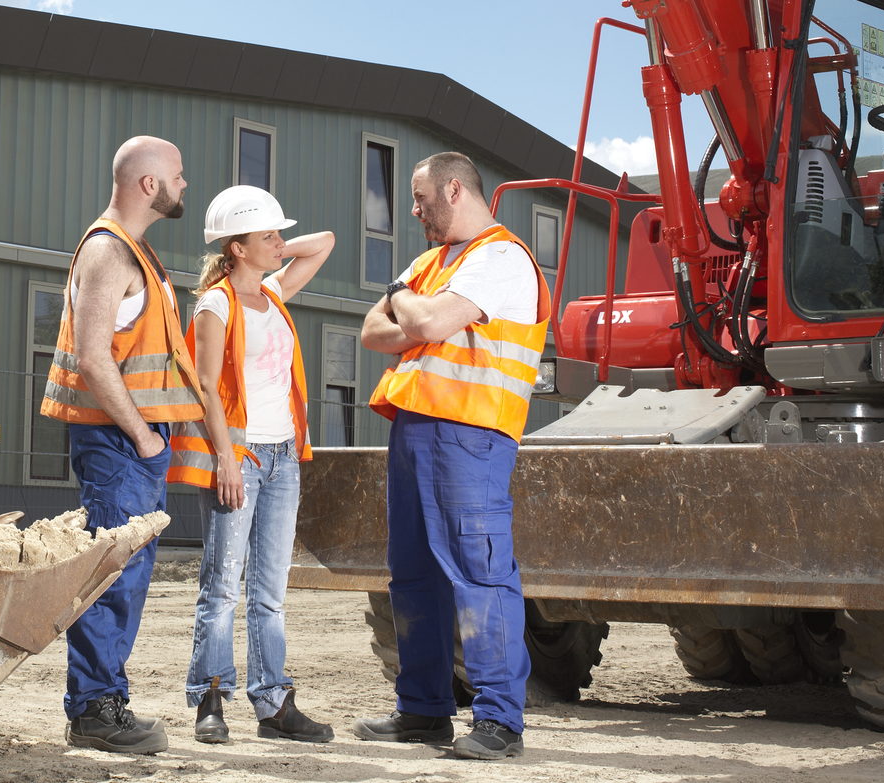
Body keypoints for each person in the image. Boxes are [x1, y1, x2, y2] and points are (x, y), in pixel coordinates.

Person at [350, 151, 552, 761]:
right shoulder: (432, 263)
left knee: (479, 571)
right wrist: (412, 308)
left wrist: (403, 299)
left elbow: (427, 319)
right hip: (415, 429)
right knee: (413, 576)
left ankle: (499, 721)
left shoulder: (501, 257)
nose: (413, 211)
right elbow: (370, 331)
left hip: (471, 435)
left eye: (420, 199)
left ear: (454, 189)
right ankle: (424, 710)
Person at [39, 135, 206, 755]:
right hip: (119, 442)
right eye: (179, 176)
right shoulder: (110, 252)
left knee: (127, 575)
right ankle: (93, 711)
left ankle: (100, 702)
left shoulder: (134, 250)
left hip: (131, 441)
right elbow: (91, 357)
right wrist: (142, 438)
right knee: (115, 576)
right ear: (148, 185)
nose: (185, 185)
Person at [168, 186, 337, 744]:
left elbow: (325, 244)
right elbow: (208, 391)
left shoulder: (273, 293)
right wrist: (226, 460)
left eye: (278, 234)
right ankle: (209, 699)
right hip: (240, 456)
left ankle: (273, 704)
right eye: (268, 236)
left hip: (284, 456)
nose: (281, 243)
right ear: (236, 248)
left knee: (271, 590)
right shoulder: (216, 304)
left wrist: (274, 245)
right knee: (221, 587)